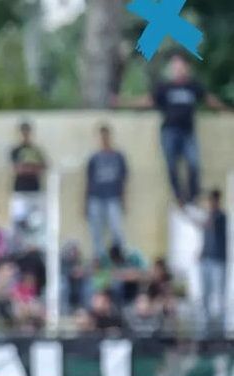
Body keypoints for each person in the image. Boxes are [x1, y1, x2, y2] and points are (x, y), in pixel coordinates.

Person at [114, 53, 230, 204]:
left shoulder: (193, 86)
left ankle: (192, 197)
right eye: (175, 65)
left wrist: (226, 110)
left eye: (180, 65)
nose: (178, 68)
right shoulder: (165, 87)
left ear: (187, 68)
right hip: (169, 132)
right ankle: (179, 197)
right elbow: (148, 101)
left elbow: (209, 100)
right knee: (171, 165)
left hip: (188, 132)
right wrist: (123, 102)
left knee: (194, 164)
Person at [85, 125, 129, 257]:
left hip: (113, 197)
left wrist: (124, 200)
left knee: (116, 229)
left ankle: (120, 256)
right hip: (95, 197)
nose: (104, 139)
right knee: (96, 231)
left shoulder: (118, 156)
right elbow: (88, 181)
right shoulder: (94, 158)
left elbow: (123, 180)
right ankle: (99, 257)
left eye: (106, 136)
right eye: (101, 136)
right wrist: (85, 203)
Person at [8, 121, 47, 249]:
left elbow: (43, 167)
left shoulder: (36, 150)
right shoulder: (16, 150)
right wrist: (31, 168)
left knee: (37, 222)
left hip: (35, 190)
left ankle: (35, 247)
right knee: (19, 222)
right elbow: (17, 168)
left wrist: (28, 168)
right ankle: (19, 248)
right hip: (20, 191)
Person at [199, 189, 228, 334]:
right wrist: (201, 252)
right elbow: (206, 237)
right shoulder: (208, 217)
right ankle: (206, 325)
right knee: (205, 292)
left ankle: (221, 326)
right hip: (206, 260)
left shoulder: (221, 217)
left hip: (218, 261)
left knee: (218, 293)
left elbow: (211, 227)